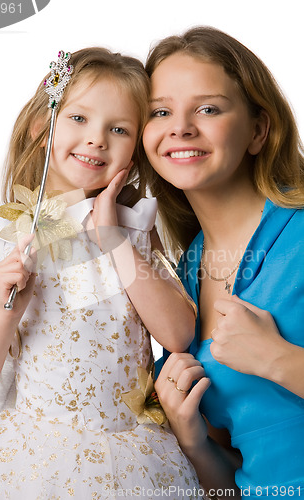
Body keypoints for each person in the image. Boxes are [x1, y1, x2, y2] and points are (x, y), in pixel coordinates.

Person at [0, 47, 201, 498]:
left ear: (133, 153)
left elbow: (177, 334)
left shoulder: (132, 229)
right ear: (42, 127)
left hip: (132, 451)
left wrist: (112, 238)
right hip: (36, 458)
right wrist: (5, 311)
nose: (97, 139)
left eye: (118, 129)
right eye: (78, 119)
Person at [142, 26, 304, 500]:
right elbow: (233, 485)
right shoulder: (183, 277)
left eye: (208, 108)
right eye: (161, 112)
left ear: (259, 130)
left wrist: (278, 359)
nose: (181, 127)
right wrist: (193, 442)